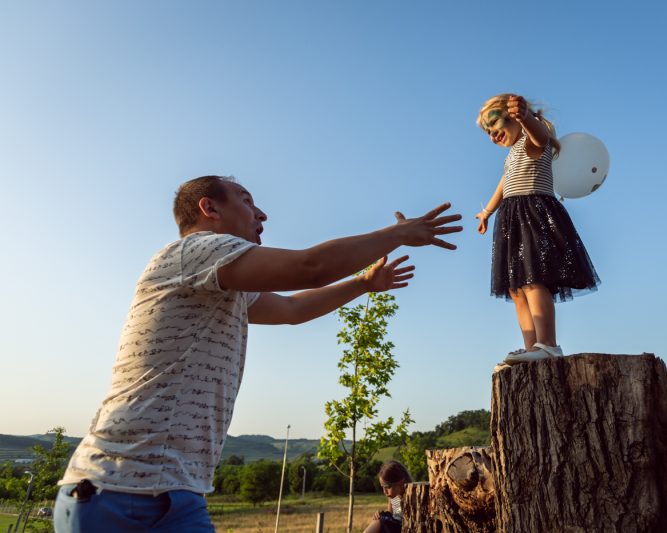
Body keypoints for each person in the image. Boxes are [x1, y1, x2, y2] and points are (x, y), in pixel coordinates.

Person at [53, 175, 461, 532]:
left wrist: (362, 285)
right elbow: (310, 266)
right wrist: (396, 235)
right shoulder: (195, 251)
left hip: (180, 492)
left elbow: (292, 309)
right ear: (208, 207)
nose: (261, 213)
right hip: (116, 488)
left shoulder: (224, 281)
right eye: (247, 200)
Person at [474, 94, 599, 368]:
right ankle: (532, 349)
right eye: (489, 134)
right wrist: (486, 212)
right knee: (517, 287)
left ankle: (549, 345)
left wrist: (526, 118)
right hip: (511, 218)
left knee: (533, 279)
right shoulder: (510, 156)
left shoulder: (532, 142)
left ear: (514, 120)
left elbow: (540, 137)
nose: (494, 137)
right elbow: (503, 185)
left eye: (497, 129)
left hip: (533, 214)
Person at [363, 461, 412, 533]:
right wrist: (379, 514)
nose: (384, 492)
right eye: (382, 487)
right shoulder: (393, 498)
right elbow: (391, 515)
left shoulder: (413, 498)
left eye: (387, 487)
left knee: (380, 521)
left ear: (401, 482)